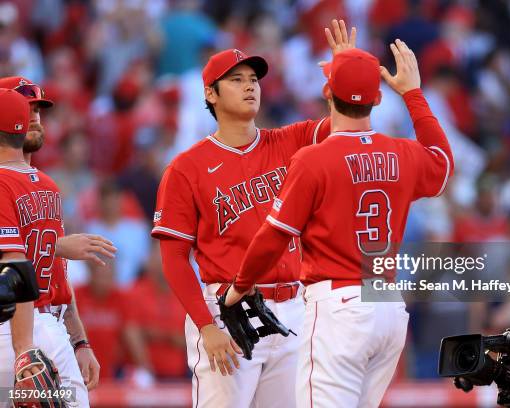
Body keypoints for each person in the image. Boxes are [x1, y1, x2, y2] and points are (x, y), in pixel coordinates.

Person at [225, 42, 454, 407]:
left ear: (327, 92)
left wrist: (239, 287)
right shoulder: (403, 152)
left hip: (339, 309)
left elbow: (273, 237)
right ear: (378, 100)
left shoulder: (314, 160)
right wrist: (412, 93)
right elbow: (442, 162)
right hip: (387, 307)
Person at [151, 19, 357, 408]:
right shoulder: (185, 168)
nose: (249, 86)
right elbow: (174, 259)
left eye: (254, 79)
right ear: (210, 94)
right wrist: (205, 326)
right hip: (230, 311)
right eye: (236, 80)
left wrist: (345, 75)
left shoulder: (289, 141)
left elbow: (347, 127)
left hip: (294, 310)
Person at [0, 76, 115, 406]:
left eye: (37, 108)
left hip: (40, 327)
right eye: (24, 107)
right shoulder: (42, 184)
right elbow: (16, 263)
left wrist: (80, 342)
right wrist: (58, 244)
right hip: (21, 330)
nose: (33, 116)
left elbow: (57, 276)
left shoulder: (44, 185)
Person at [0, 88, 80, 407]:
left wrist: (24, 350)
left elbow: (16, 269)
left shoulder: (3, 182)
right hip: (50, 329)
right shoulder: (47, 184)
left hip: (14, 331)